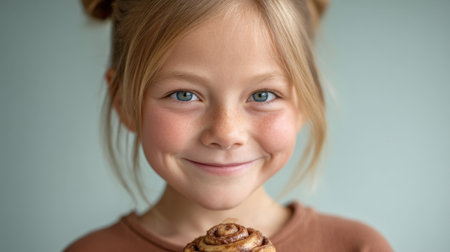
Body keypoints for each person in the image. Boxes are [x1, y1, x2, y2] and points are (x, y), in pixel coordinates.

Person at [65, 0, 393, 251]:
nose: (226, 133)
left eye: (262, 94)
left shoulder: (357, 247)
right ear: (124, 101)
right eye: (184, 94)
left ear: (305, 100)